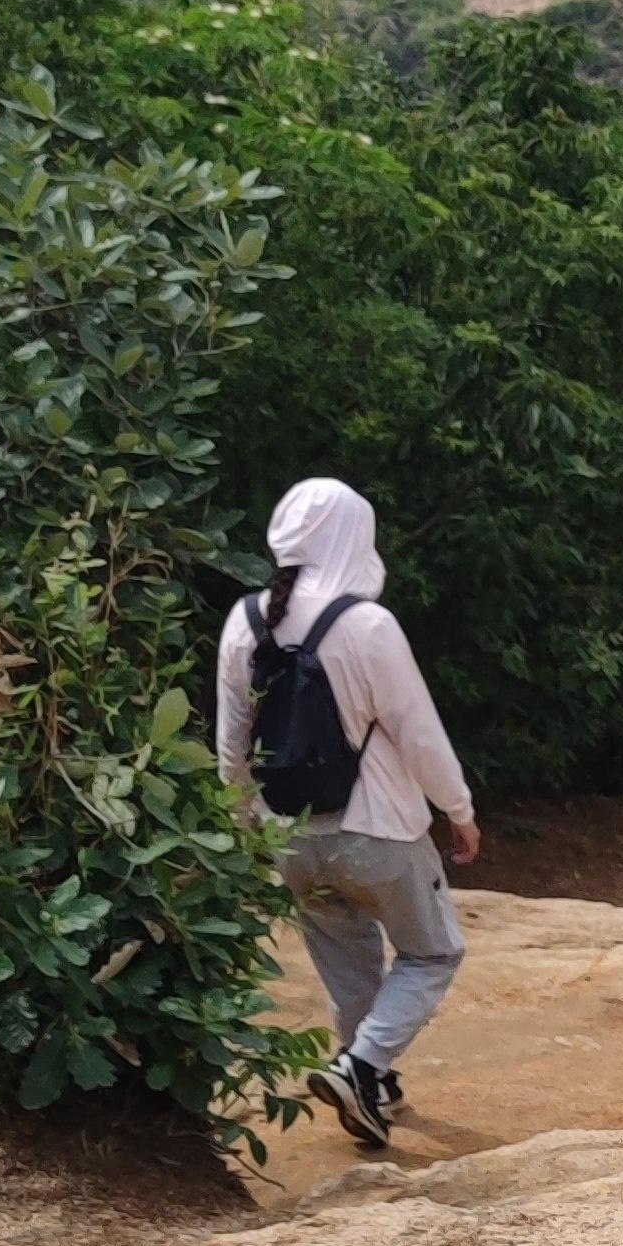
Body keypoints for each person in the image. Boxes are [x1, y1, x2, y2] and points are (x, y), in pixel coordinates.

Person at [211, 472, 480, 1151]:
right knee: (432, 953)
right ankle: (361, 1066)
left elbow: (231, 742)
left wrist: (244, 827)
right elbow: (417, 730)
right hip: (380, 830)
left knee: (347, 958)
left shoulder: (243, 623)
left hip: (290, 835)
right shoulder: (367, 625)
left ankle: (373, 1085)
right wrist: (459, 809)